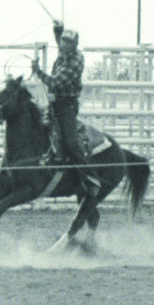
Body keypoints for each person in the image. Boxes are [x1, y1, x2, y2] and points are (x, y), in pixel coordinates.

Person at [31, 20, 101, 197]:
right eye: (63, 40)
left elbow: (56, 82)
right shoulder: (65, 52)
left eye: (68, 41)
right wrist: (57, 29)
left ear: (75, 44)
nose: (64, 44)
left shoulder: (76, 60)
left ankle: (89, 178)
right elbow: (59, 40)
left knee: (71, 141)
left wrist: (38, 71)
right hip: (55, 103)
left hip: (66, 106)